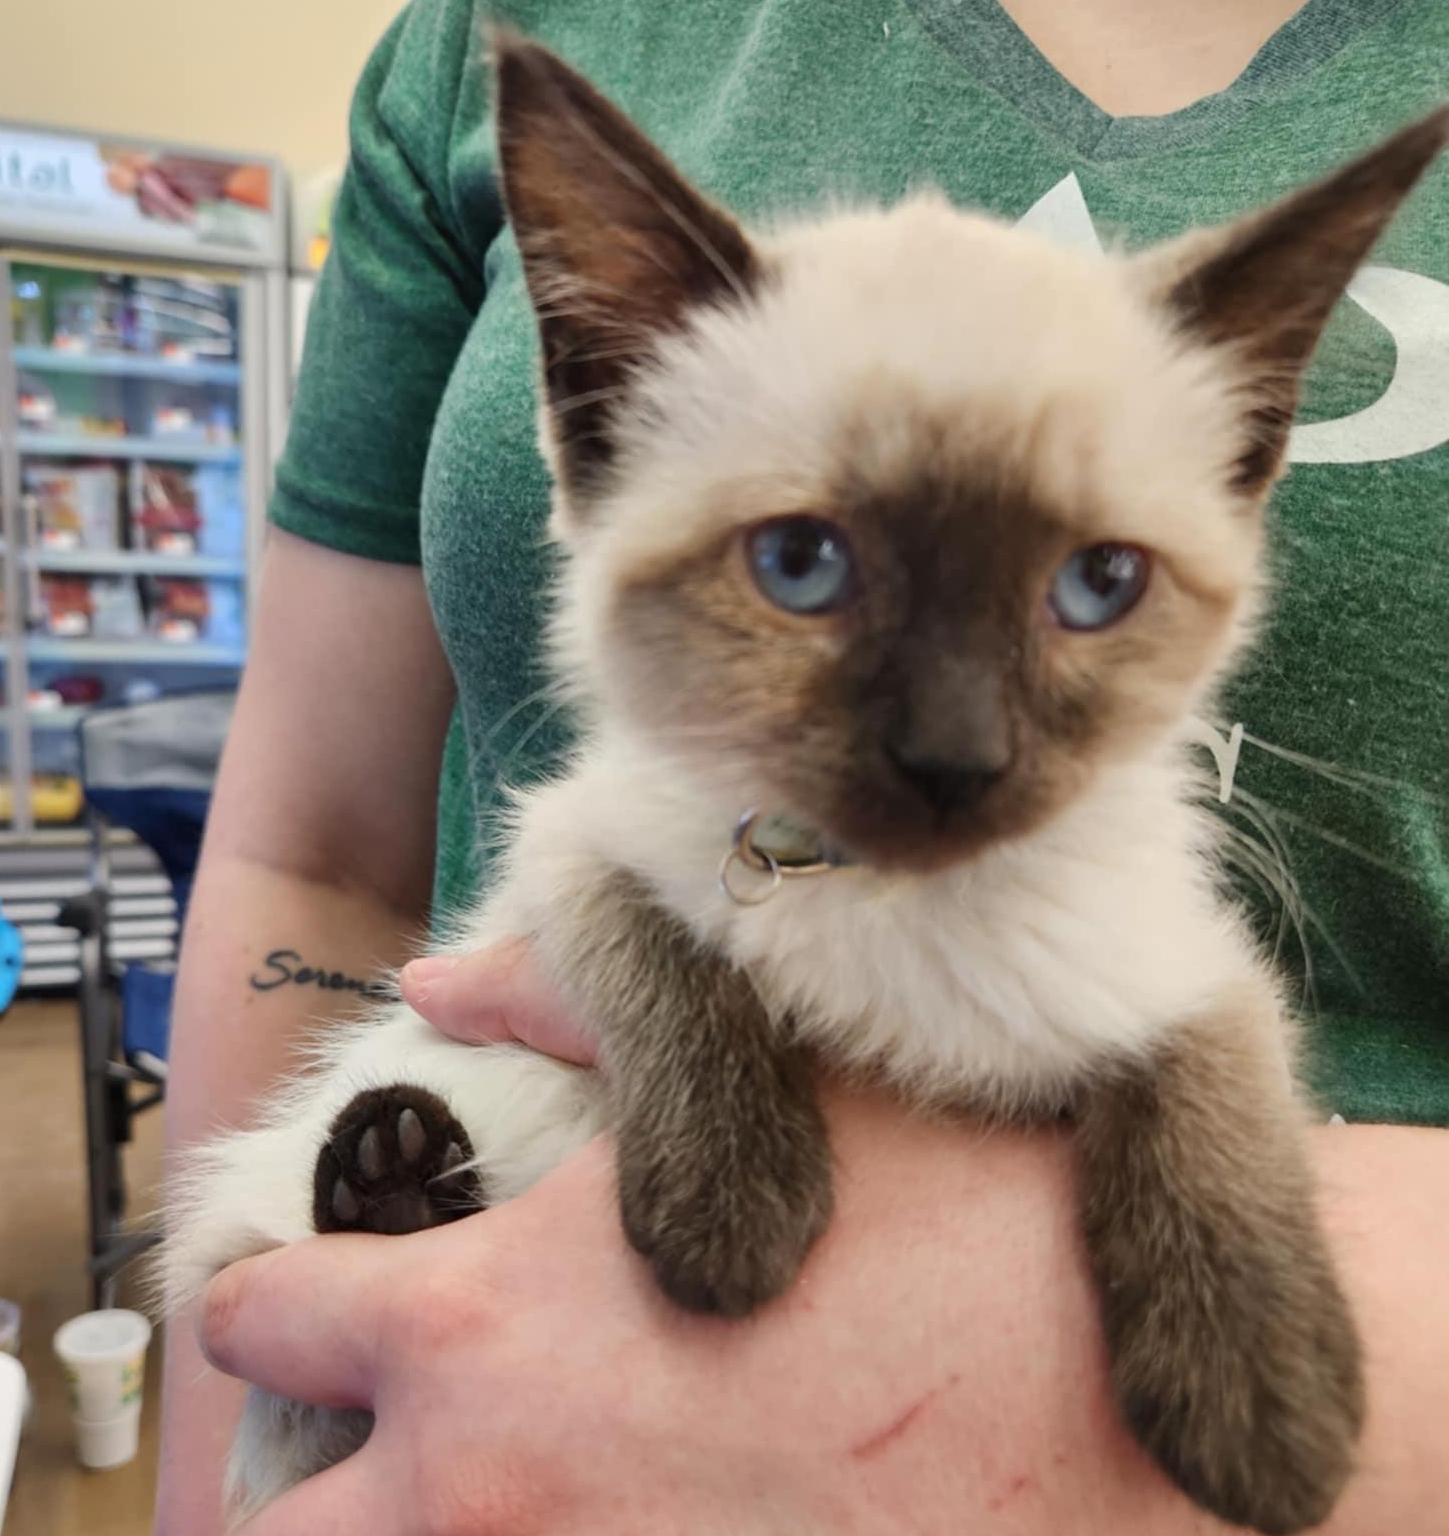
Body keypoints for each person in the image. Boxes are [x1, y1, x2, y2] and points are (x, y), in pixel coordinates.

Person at [157, 0, 1449, 1529]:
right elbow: (308, 860)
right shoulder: (493, 38)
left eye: (1092, 588)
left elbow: (1186, 1013)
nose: (957, 745)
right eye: (801, 562)